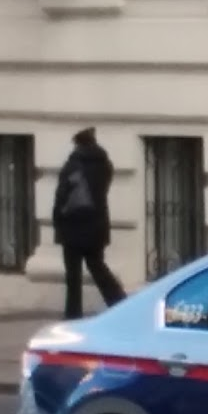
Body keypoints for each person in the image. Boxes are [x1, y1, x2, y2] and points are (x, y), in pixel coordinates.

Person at [51, 127, 125, 319]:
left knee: (73, 275)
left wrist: (58, 223)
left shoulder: (72, 166)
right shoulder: (105, 164)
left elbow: (61, 196)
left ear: (78, 143)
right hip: (96, 226)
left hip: (73, 226)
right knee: (98, 267)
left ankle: (73, 313)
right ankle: (118, 302)